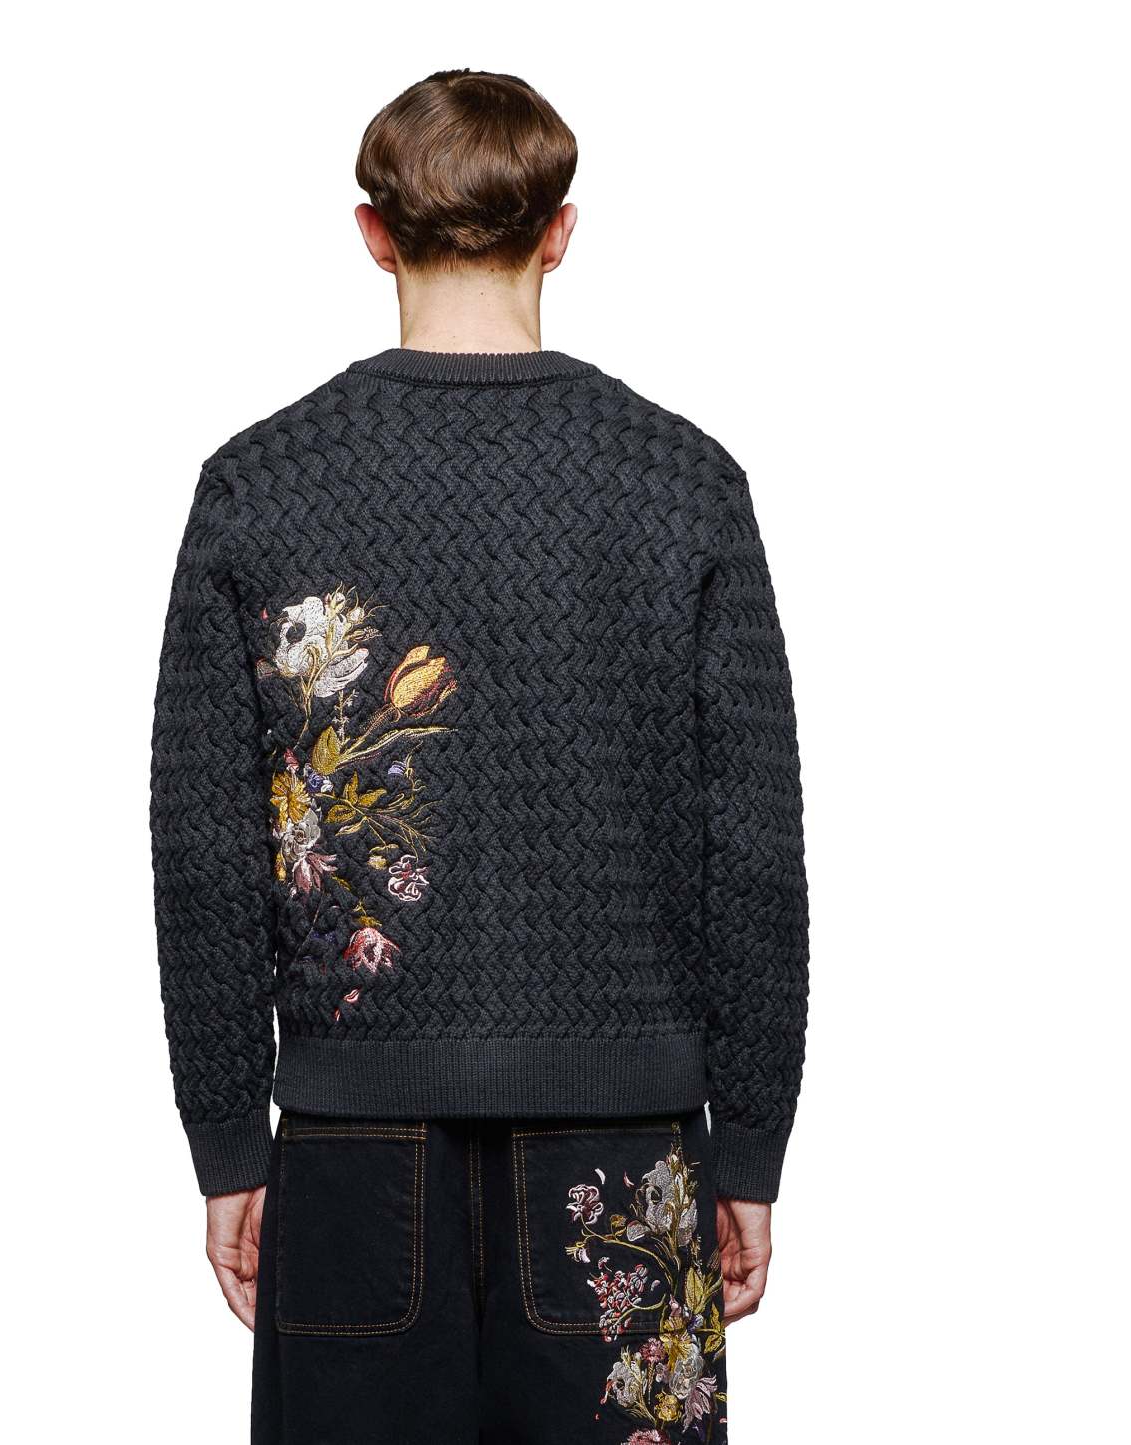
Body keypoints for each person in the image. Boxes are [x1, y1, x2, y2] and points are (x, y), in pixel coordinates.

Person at [151, 68, 808, 1443]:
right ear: (559, 232)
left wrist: (225, 1139)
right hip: (625, 1149)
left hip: (350, 1155)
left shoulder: (257, 484)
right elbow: (750, 846)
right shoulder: (683, 482)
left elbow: (204, 849)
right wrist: (749, 1141)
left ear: (371, 234)